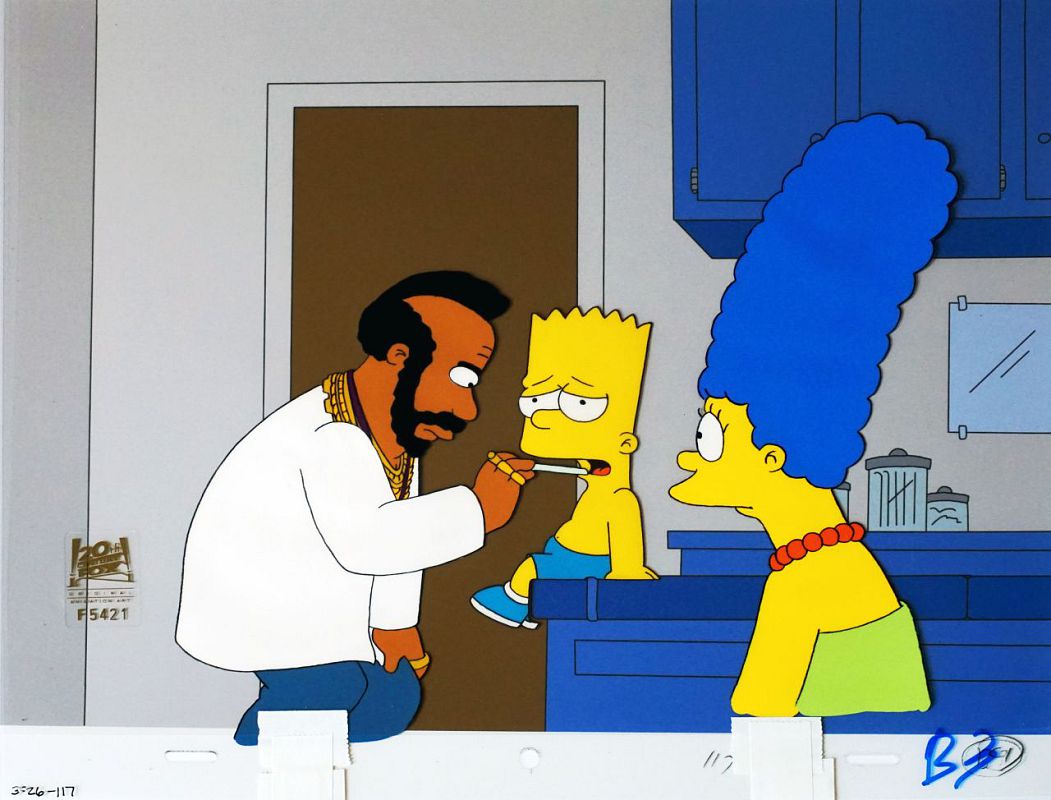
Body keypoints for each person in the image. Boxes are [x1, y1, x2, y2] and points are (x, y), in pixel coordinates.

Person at [669, 115, 957, 716]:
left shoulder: (804, 580)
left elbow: (756, 710)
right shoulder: (834, 562)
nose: (689, 454)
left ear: (772, 456)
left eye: (710, 435)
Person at [175, 271, 535, 745]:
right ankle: (244, 763)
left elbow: (398, 532)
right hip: (262, 611)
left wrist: (395, 624)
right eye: (460, 377)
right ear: (399, 356)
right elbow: (371, 542)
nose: (468, 409)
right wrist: (480, 510)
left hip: (322, 606)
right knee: (332, 691)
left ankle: (300, 758)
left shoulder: (392, 431)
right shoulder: (332, 433)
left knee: (393, 697)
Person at [471, 307, 658, 629]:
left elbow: (627, 553)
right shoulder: (597, 486)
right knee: (534, 571)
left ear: (626, 443)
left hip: (581, 562)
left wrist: (627, 574)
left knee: (531, 570)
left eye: (579, 404)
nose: (542, 417)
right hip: (567, 555)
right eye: (535, 401)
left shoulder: (619, 498)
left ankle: (514, 604)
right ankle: (525, 606)